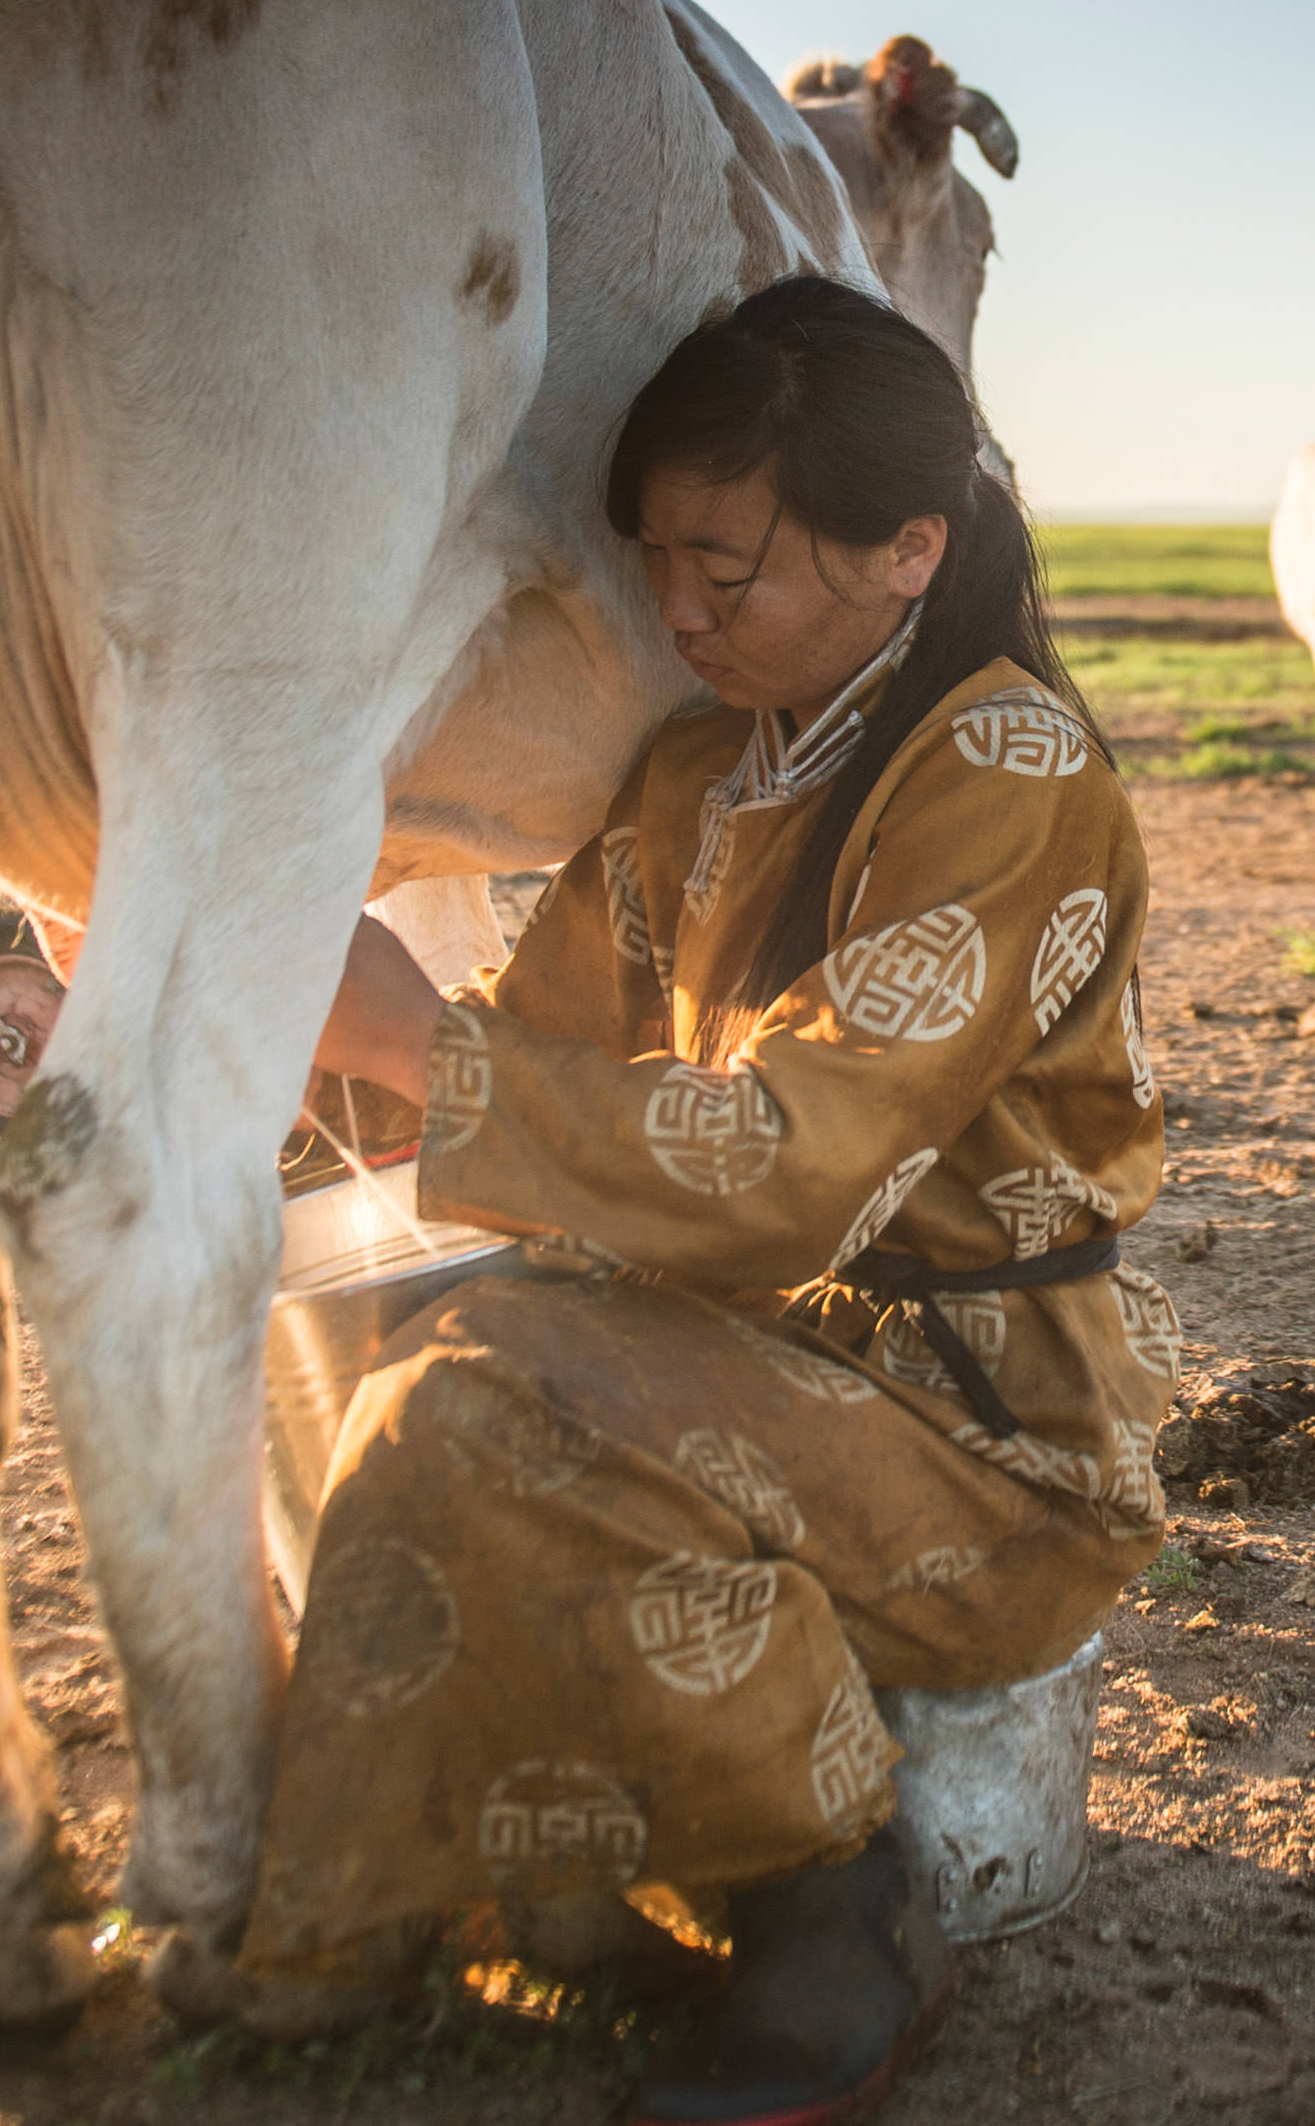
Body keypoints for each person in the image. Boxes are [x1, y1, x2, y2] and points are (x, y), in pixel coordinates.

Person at [247, 276, 1178, 2124]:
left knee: (490, 1390)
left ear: (908, 549)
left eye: (724, 569)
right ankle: (454, 1892)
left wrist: (419, 1051)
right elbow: (533, 1053)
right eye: (655, 560)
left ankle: (829, 1888)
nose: (674, 613)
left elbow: (797, 1167)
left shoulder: (1004, 771)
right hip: (759, 1377)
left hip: (991, 1440)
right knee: (390, 1346)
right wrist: (241, 1055)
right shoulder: (698, 776)